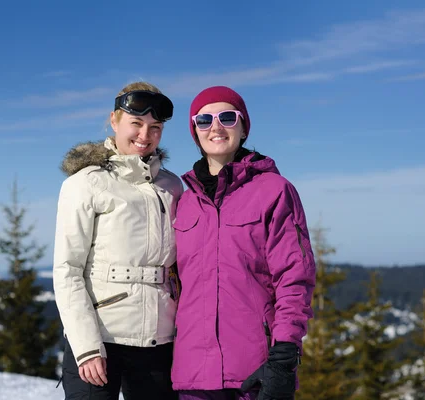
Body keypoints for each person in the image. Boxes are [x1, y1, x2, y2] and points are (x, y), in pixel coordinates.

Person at [172, 86, 316, 400]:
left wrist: (283, 357)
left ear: (243, 126)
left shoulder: (275, 190)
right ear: (195, 132)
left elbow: (295, 277)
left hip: (255, 375)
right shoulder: (183, 202)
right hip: (192, 377)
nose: (216, 127)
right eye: (204, 120)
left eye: (227, 117)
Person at [53, 81, 183, 400]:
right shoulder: (86, 183)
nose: (145, 135)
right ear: (114, 121)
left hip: (157, 340)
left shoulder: (173, 187)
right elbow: (68, 270)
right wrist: (86, 347)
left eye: (155, 127)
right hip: (101, 338)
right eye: (136, 124)